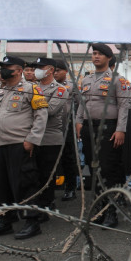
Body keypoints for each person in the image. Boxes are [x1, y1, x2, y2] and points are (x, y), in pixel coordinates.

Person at [0, 55, 49, 239]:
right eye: (2, 66)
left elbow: (41, 115)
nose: (3, 69)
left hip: (19, 144)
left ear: (19, 70)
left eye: (7, 66)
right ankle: (4, 221)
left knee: (25, 185)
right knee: (0, 186)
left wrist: (32, 139)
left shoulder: (31, 89)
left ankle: (32, 222)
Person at [75, 43, 131, 228]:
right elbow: (82, 104)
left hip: (109, 129)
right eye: (94, 53)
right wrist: (78, 121)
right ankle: (99, 210)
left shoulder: (118, 80)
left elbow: (124, 106)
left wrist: (121, 129)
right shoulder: (86, 80)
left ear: (109, 58)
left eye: (100, 54)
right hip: (89, 128)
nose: (96, 56)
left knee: (109, 171)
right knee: (94, 170)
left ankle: (111, 212)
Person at [32, 57, 70, 218]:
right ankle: (36, 205)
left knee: (47, 175)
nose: (37, 70)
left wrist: (31, 108)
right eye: (37, 67)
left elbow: (50, 111)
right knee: (34, 174)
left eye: (42, 67)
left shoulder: (60, 89)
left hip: (50, 137)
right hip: (33, 137)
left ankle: (46, 205)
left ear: (51, 70)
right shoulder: (32, 87)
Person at [53, 59, 79, 201]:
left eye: (58, 70)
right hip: (50, 127)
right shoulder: (48, 86)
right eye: (54, 70)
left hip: (67, 126)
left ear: (66, 72)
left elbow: (80, 105)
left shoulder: (71, 86)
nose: (56, 73)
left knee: (69, 158)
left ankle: (70, 188)